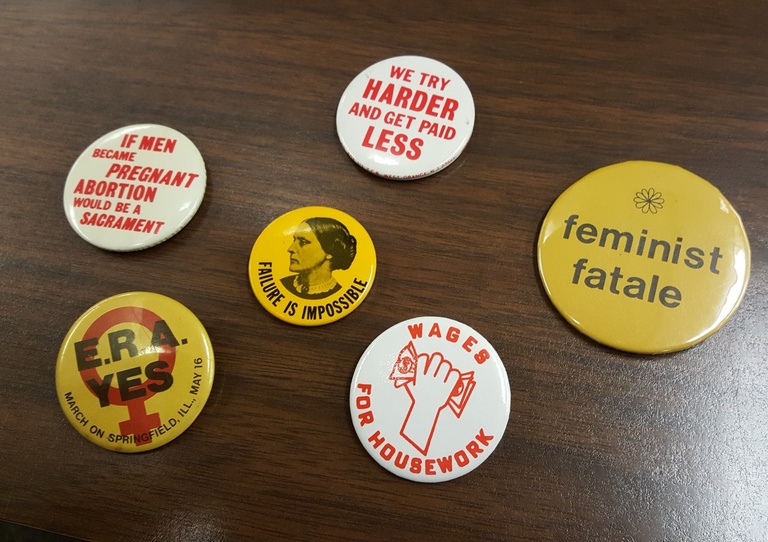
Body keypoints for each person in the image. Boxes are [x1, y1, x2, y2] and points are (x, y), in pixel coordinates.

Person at [280, 217, 357, 300]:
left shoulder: (340, 296)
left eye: (303, 242)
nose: (290, 249)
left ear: (330, 251)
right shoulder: (282, 286)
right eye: (294, 240)